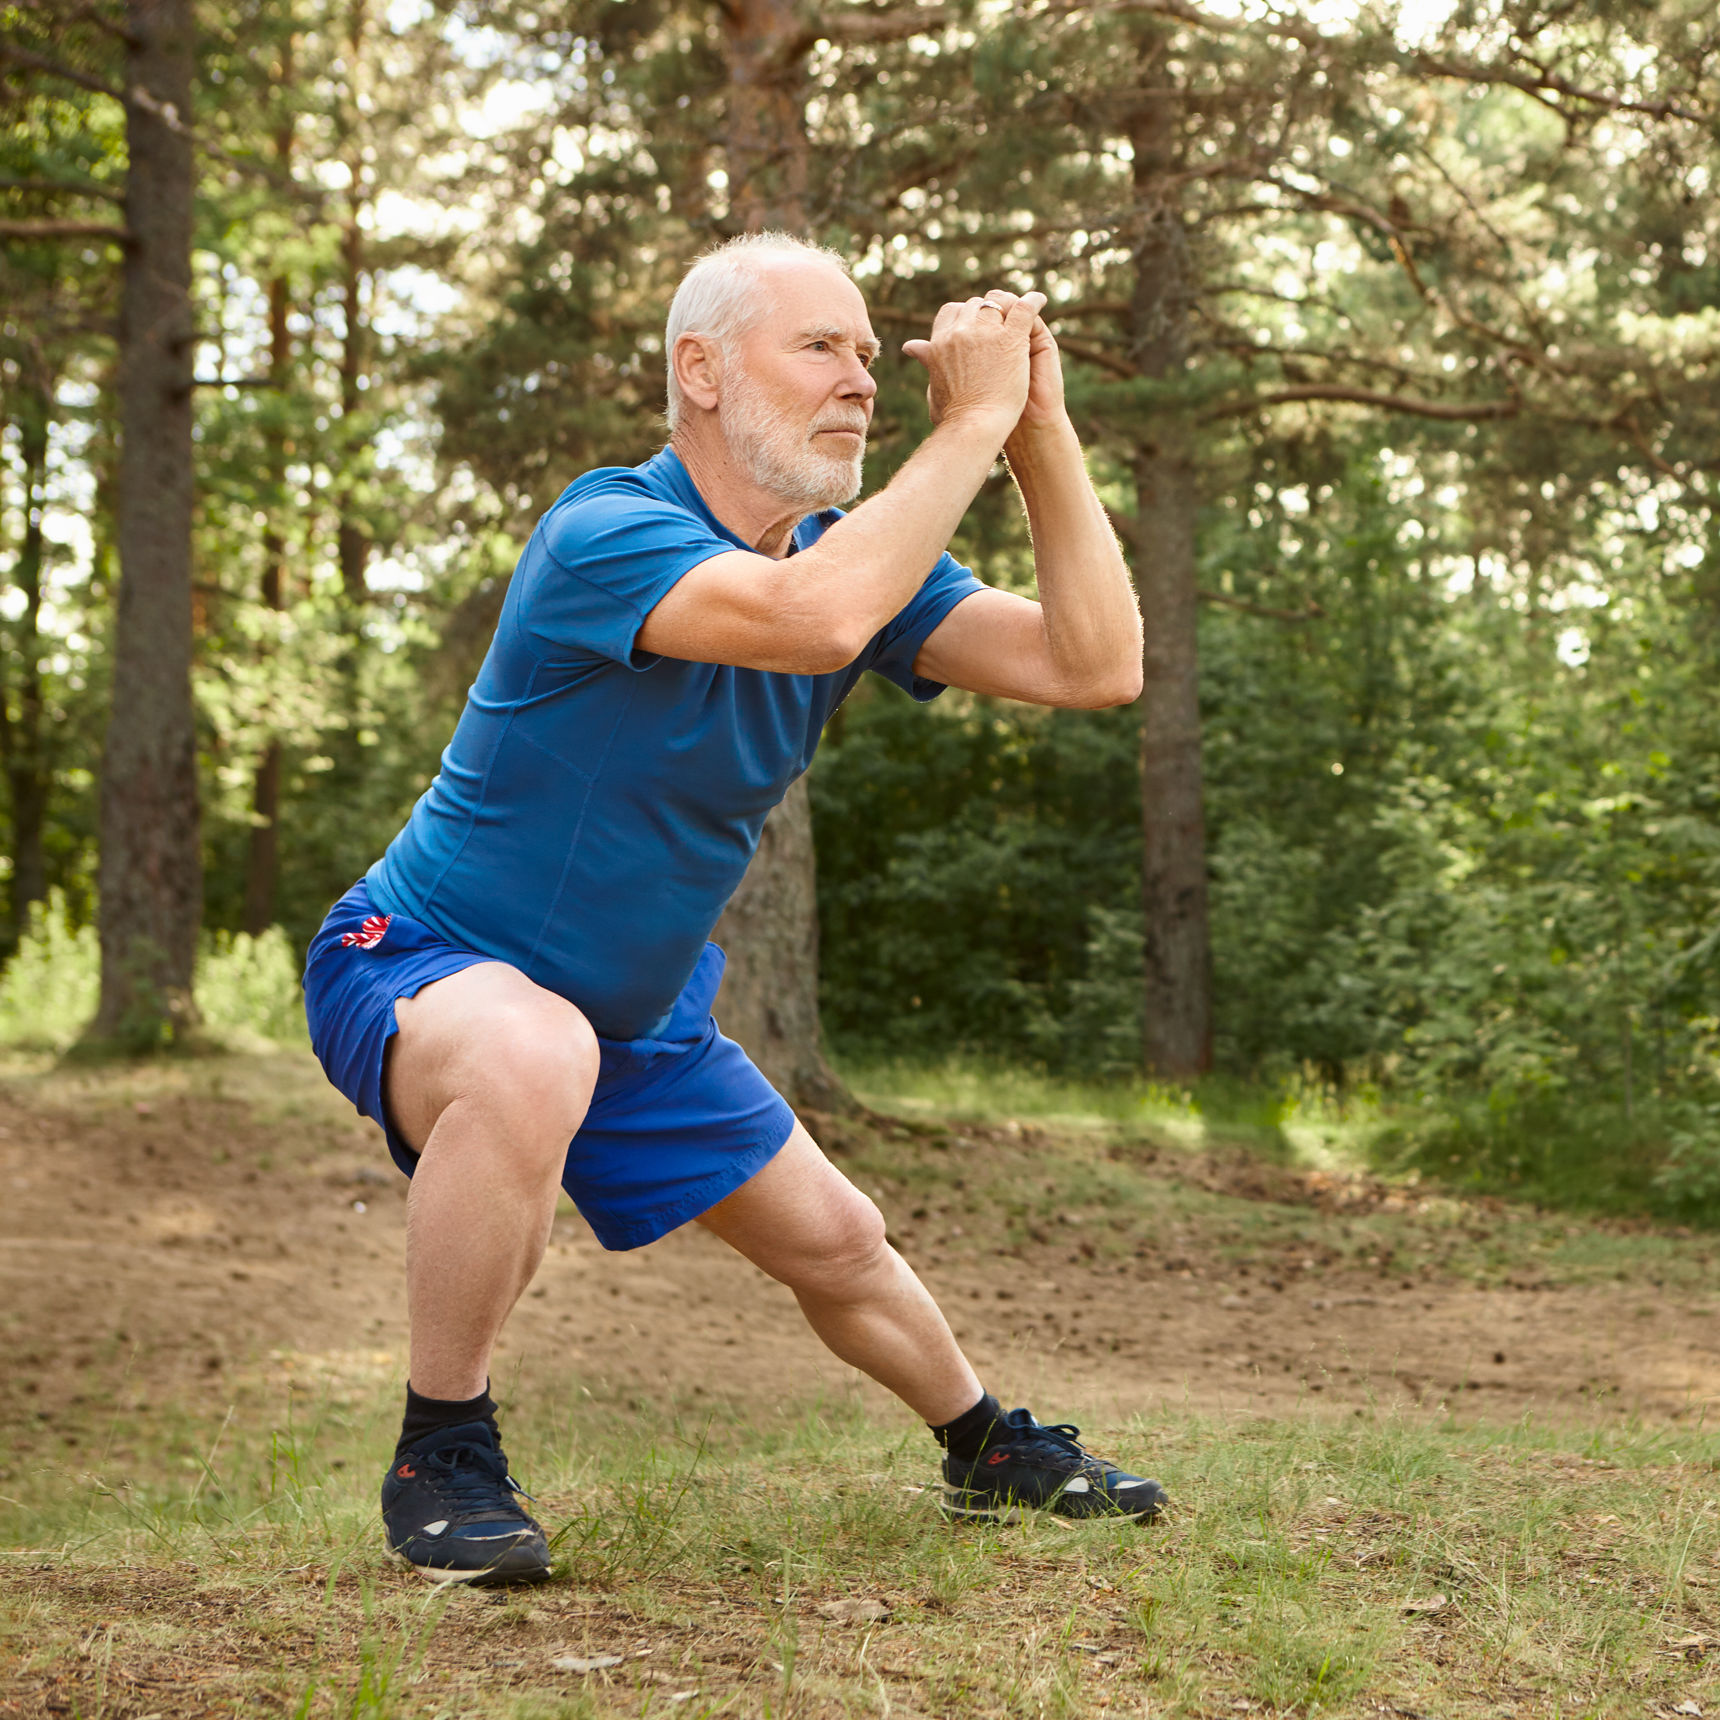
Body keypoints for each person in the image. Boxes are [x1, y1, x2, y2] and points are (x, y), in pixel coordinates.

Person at [303, 231, 1165, 1585]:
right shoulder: (607, 531)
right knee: (534, 1050)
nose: (863, 378)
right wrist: (971, 421)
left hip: (634, 1018)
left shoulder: (853, 565)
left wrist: (1035, 432)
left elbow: (1095, 663)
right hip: (419, 961)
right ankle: (442, 1450)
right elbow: (813, 619)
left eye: (871, 352)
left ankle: (985, 1448)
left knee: (841, 1241)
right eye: (820, 345)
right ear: (699, 372)